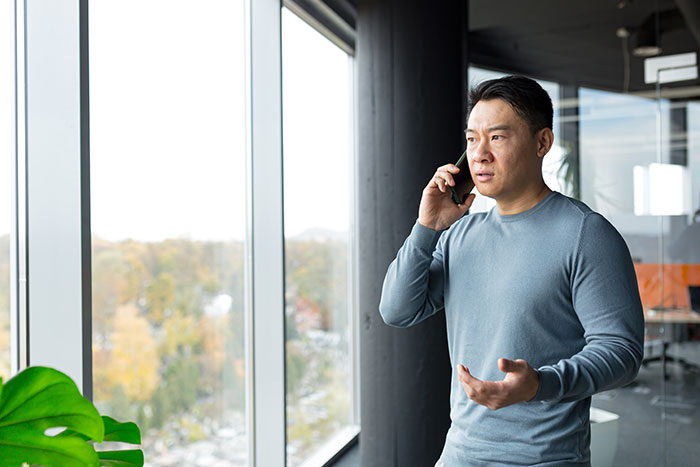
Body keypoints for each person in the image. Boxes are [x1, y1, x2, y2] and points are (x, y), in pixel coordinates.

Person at [378, 75, 644, 466]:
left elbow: (622, 352)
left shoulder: (586, 234)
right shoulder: (459, 235)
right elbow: (397, 310)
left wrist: (540, 384)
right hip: (459, 454)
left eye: (497, 138)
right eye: (471, 139)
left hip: (544, 458)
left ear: (542, 143)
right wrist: (427, 228)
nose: (479, 154)